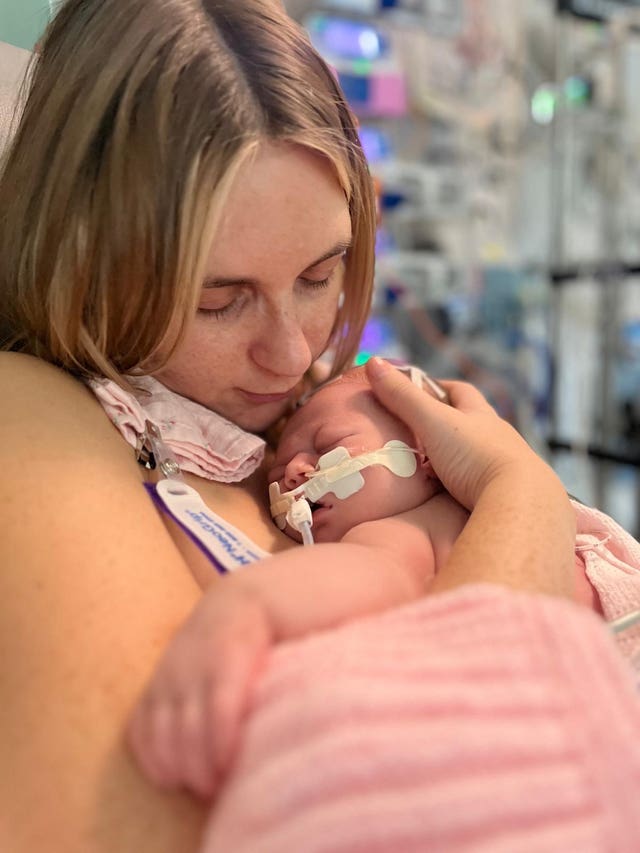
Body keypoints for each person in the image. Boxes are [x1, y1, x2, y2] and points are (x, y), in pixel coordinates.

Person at [0, 1, 638, 852]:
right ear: (80, 256)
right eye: (218, 301)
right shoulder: (31, 419)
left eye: (319, 274)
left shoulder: (325, 410)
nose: (294, 353)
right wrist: (520, 495)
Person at [126, 365, 470, 798]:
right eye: (281, 465)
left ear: (427, 457)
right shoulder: (452, 529)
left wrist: (247, 603)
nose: (293, 471)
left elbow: (373, 571)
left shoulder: (416, 526)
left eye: (328, 445)